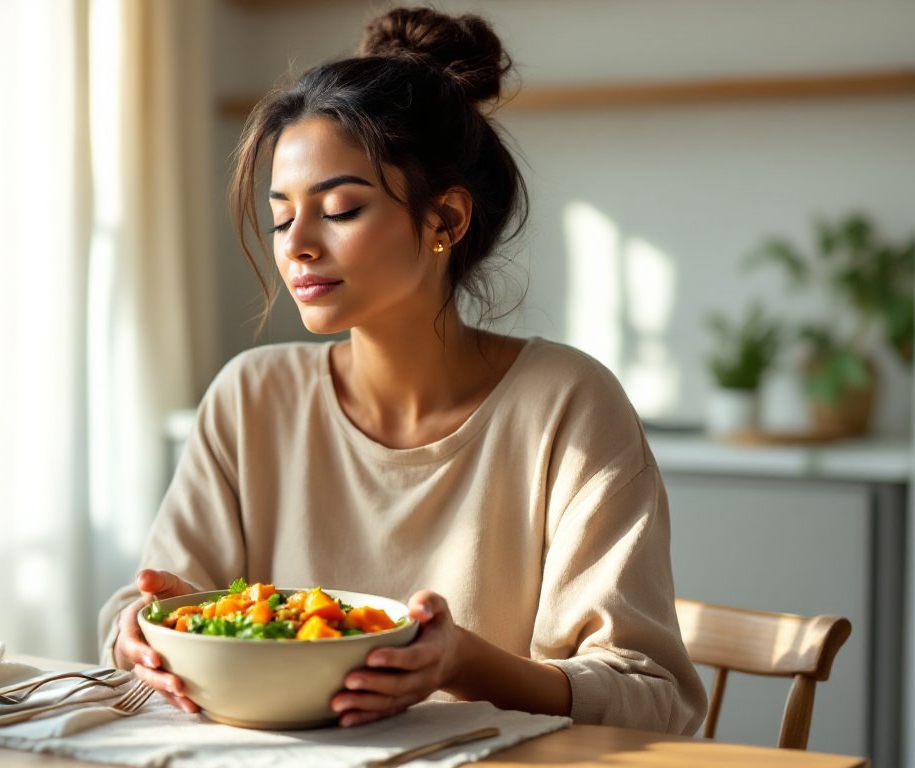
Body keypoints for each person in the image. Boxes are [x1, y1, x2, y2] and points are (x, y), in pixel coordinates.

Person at [97, 6, 707, 734]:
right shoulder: (250, 397)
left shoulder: (567, 406)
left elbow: (653, 697)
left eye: (342, 208)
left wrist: (459, 662)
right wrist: (137, 629)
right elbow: (150, 608)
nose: (298, 246)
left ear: (445, 220)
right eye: (283, 215)